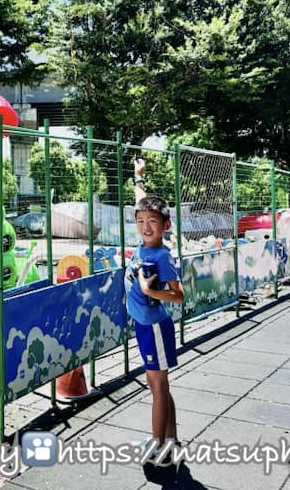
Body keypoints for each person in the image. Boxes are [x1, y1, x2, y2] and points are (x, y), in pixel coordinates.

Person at [126, 157, 185, 466]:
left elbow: (179, 295)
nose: (145, 227)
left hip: (154, 327)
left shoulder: (160, 256)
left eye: (152, 222)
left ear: (166, 225)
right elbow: (143, 204)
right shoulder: (143, 243)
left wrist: (150, 291)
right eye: (141, 222)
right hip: (144, 325)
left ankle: (159, 446)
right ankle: (171, 440)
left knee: (158, 387)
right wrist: (138, 177)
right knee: (158, 386)